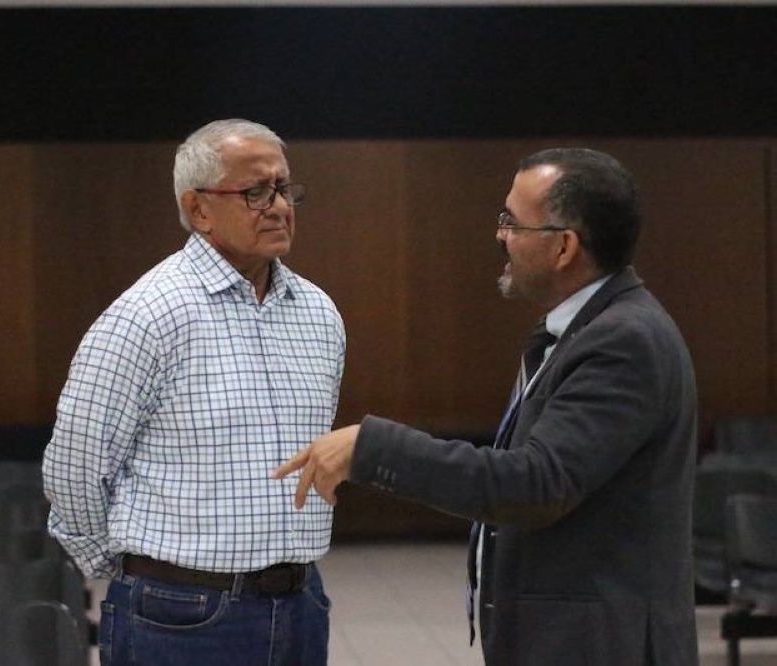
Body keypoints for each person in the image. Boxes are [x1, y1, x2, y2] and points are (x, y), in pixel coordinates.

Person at [275, 148, 698, 665]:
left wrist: (374, 447)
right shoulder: (585, 330)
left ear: (564, 246)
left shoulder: (622, 340)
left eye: (512, 222)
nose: (500, 235)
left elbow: (535, 483)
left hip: (601, 645)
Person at [42, 119, 346, 665]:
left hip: (300, 604)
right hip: (178, 613)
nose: (278, 205)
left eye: (285, 188)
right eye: (256, 192)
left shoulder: (320, 314)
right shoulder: (148, 315)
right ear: (199, 208)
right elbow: (74, 466)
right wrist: (127, 569)